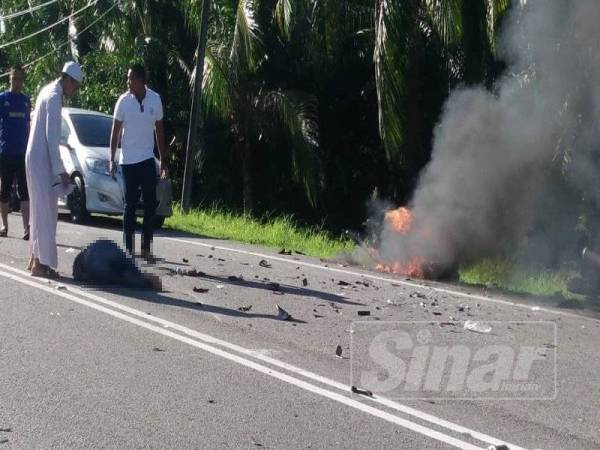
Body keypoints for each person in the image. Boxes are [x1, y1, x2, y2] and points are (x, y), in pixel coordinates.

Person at [25, 61, 83, 278]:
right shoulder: (54, 97)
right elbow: (52, 138)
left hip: (35, 156)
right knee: (46, 213)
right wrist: (61, 170)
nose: (74, 91)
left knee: (38, 211)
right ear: (67, 79)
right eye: (75, 86)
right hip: (42, 159)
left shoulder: (46, 90)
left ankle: (34, 259)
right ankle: (40, 264)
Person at [109, 64, 167, 261]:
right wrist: (112, 159)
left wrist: (163, 161)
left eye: (131, 78)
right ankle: (128, 249)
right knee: (130, 205)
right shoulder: (123, 101)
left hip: (147, 159)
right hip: (128, 162)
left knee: (150, 205)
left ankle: (146, 248)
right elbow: (115, 131)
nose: (128, 82)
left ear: (141, 80)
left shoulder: (155, 99)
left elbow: (159, 131)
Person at [0, 66, 31, 239]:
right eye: (14, 79)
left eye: (20, 79)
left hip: (21, 153)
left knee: (24, 190)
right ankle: (4, 225)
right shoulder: (3, 99)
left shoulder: (26, 100)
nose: (17, 83)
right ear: (9, 80)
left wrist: (28, 148)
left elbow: (27, 126)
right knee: (4, 191)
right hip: (5, 152)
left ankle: (27, 227)